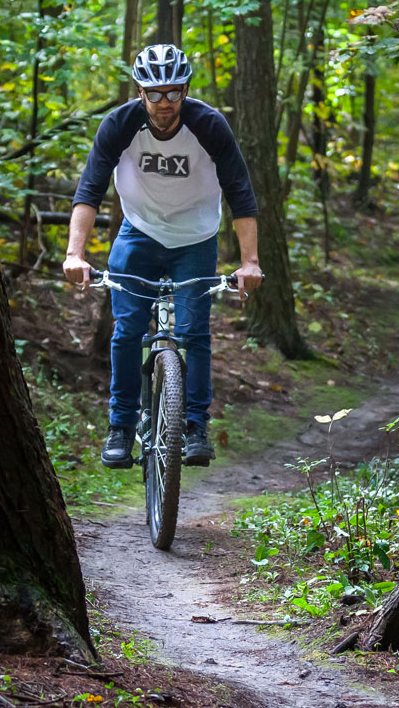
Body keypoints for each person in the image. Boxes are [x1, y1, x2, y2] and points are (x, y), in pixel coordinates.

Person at [63, 45, 265, 470]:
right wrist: (74, 254)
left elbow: (240, 194)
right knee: (128, 330)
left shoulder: (208, 125)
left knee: (194, 333)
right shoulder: (119, 124)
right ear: (140, 92)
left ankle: (194, 427)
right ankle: (120, 428)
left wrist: (250, 261)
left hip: (196, 239)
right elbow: (90, 190)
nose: (164, 103)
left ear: (186, 91)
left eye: (173, 93)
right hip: (139, 233)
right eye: (154, 94)